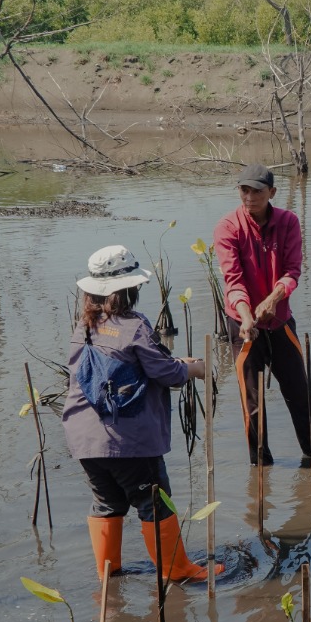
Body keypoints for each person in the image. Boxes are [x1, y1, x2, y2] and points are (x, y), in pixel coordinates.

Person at [62, 245, 219, 583]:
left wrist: (174, 364)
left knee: (107, 502)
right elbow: (166, 373)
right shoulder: (134, 326)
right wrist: (195, 369)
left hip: (84, 438)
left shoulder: (84, 327)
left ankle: (109, 573)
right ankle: (178, 571)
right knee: (154, 501)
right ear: (129, 290)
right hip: (126, 441)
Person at [213, 163, 311, 468]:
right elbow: (233, 281)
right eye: (244, 190)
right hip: (243, 324)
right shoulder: (228, 227)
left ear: (271, 192)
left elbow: (292, 272)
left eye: (257, 191)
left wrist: (274, 299)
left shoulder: (288, 222)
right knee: (252, 405)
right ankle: (260, 469)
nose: (249, 197)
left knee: (300, 395)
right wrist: (247, 317)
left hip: (279, 322)